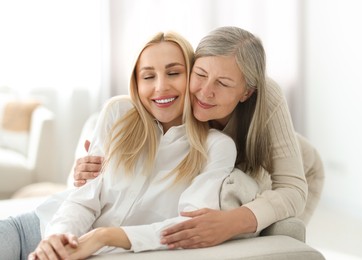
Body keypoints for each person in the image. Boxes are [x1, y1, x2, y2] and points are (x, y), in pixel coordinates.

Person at [74, 26, 325, 249]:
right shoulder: (176, 91)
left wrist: (232, 222)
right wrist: (95, 168)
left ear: (246, 92)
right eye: (201, 75)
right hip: (224, 159)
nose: (205, 93)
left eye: (223, 84)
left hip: (293, 166)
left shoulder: (265, 98)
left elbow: (292, 189)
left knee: (278, 233)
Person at [0, 31, 237, 260]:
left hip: (96, 251)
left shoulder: (217, 148)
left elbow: (189, 225)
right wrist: (57, 238)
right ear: (136, 83)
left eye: (173, 73)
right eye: (148, 76)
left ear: (192, 78)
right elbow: (84, 199)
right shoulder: (118, 114)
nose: (161, 87)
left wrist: (106, 237)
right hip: (37, 230)